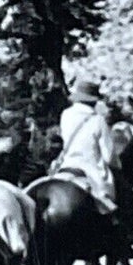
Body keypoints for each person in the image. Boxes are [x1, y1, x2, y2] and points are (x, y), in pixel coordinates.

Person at [52, 78, 118, 211]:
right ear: (94, 101)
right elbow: (108, 157)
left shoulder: (65, 115)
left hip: (67, 165)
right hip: (91, 171)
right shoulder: (98, 120)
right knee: (110, 204)